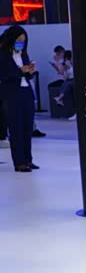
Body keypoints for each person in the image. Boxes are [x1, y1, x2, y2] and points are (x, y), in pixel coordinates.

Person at [0, 25, 38, 172]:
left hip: (26, 92)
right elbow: (4, 75)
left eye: (23, 40)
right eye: (19, 40)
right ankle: (19, 162)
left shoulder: (23, 55)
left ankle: (28, 159)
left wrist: (29, 71)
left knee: (27, 127)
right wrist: (19, 71)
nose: (21, 43)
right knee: (16, 128)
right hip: (12, 94)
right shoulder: (3, 56)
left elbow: (25, 75)